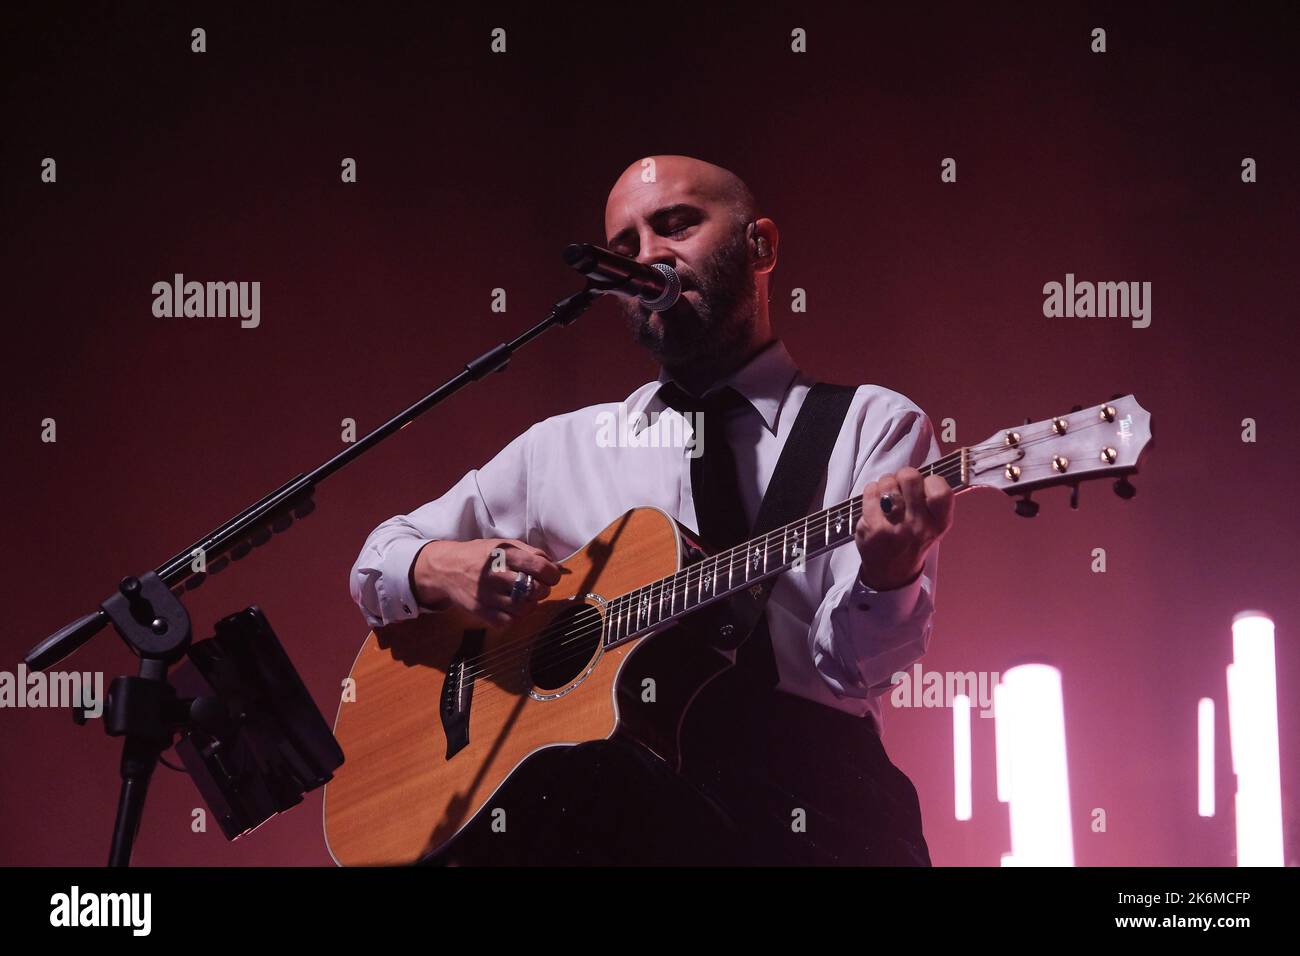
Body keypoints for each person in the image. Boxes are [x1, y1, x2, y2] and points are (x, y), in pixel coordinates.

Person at [350, 155, 955, 865]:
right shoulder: (563, 448)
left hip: (812, 804)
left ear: (759, 246)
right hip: (609, 818)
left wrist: (889, 575)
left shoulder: (867, 423)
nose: (648, 258)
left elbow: (852, 671)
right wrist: (438, 565)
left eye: (675, 226)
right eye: (625, 249)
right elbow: (376, 562)